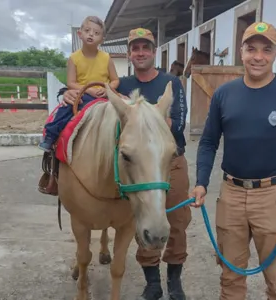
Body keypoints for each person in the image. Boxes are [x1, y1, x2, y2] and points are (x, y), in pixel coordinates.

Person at [189, 22, 276, 300]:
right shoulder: (224, 95)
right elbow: (207, 142)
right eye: (251, 48)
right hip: (231, 196)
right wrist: (201, 182)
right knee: (230, 280)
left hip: (273, 197)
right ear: (241, 51)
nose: (258, 56)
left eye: (266, 49)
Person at [62, 28, 191, 300]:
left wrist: (146, 118)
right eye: (136, 48)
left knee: (176, 222)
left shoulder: (171, 84)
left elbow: (177, 126)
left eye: (146, 47)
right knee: (138, 216)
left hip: (169, 160)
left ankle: (175, 282)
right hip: (135, 163)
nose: (141, 52)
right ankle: (152, 281)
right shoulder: (121, 85)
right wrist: (69, 94)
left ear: (154, 51)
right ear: (130, 54)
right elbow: (99, 109)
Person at [38, 16, 120, 152]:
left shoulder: (106, 58)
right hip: (83, 95)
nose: (91, 34)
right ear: (80, 34)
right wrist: (88, 90)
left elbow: (115, 80)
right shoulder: (73, 58)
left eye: (96, 33)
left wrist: (108, 89)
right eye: (87, 30)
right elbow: (71, 83)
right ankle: (51, 136)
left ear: (102, 39)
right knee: (65, 109)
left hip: (103, 97)